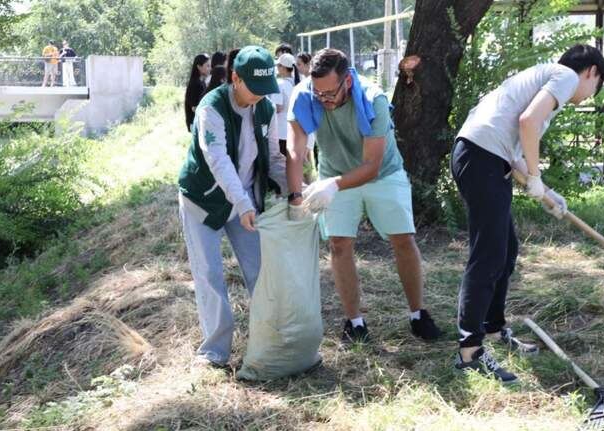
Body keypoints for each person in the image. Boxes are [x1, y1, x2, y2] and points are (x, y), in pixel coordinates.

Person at [452, 44, 604, 383]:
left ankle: (493, 330)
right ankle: (470, 352)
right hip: (480, 159)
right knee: (488, 255)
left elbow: (516, 153)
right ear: (591, 72)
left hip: (486, 158)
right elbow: (528, 123)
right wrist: (534, 178)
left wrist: (545, 190)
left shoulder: (542, 79)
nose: (589, 94)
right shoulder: (565, 75)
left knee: (506, 251)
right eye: (595, 86)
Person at [286, 48, 441, 343]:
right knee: (339, 245)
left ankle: (418, 314)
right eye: (318, 93)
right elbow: (295, 150)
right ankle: (355, 323)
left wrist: (332, 186)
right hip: (333, 170)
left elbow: (372, 166)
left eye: (330, 93)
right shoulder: (304, 95)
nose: (324, 100)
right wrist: (296, 196)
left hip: (382, 174)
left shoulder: (373, 99)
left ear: (347, 82)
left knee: (402, 240)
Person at [178, 46, 287, 368]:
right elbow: (218, 160)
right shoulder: (210, 109)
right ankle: (215, 351)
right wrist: (242, 203)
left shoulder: (265, 108)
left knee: (260, 270)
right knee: (209, 273)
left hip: (245, 202)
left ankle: (269, 340)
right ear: (235, 78)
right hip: (204, 201)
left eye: (265, 90)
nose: (259, 97)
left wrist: (296, 189)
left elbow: (275, 159)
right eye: (254, 89)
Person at [273, 53, 297, 157]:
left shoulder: (279, 84)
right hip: (294, 129)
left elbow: (278, 108)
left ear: (283, 68)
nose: (277, 68)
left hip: (281, 131)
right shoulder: (297, 82)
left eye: (278, 65)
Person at [184, 54, 211, 131]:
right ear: (199, 67)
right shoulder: (195, 84)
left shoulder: (201, 82)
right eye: (207, 66)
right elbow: (194, 107)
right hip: (196, 124)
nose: (210, 68)